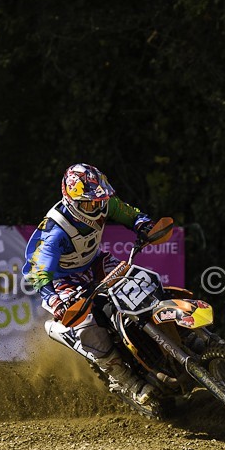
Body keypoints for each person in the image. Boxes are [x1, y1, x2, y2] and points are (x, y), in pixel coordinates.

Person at [23, 163, 173, 408]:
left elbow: (131, 214)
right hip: (63, 280)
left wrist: (144, 225)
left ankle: (182, 336)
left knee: (142, 281)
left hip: (95, 262)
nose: (96, 207)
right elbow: (37, 273)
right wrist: (55, 301)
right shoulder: (54, 232)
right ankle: (127, 381)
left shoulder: (105, 203)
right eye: (88, 204)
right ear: (71, 201)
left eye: (99, 201)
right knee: (87, 324)